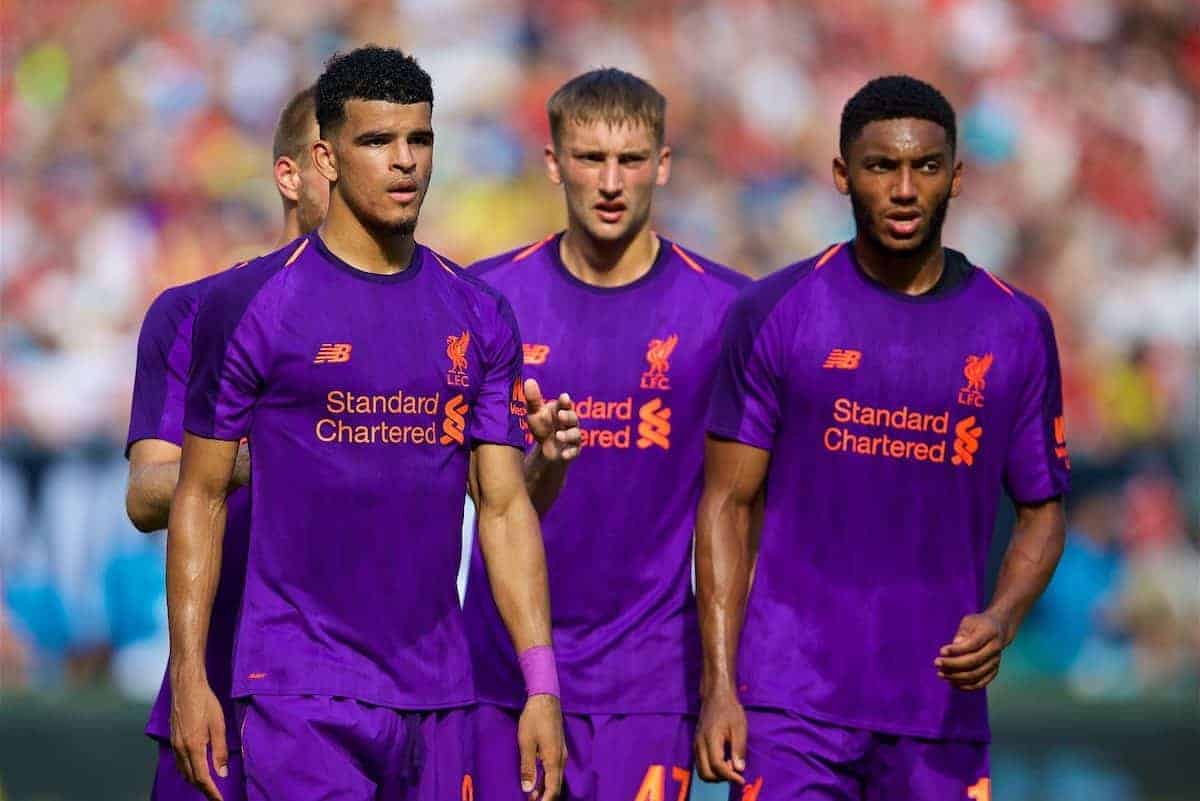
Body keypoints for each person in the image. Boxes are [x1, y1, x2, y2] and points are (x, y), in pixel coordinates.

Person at [165, 47, 565, 801]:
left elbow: (505, 507)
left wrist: (540, 682)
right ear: (326, 157)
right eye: (377, 142)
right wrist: (192, 675)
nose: (404, 161)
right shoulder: (251, 306)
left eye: (420, 140)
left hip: (440, 690)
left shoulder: (479, 313)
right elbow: (200, 495)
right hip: (299, 685)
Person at [694, 75, 1070, 801]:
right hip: (791, 700)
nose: (904, 188)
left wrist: (1002, 616)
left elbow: (1043, 509)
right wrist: (718, 685)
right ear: (842, 175)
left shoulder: (1017, 327)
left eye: (925, 167)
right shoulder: (776, 311)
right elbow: (725, 506)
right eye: (880, 166)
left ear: (955, 177)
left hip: (937, 709)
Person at [463, 68, 750, 801]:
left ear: (663, 163)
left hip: (646, 680)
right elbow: (484, 499)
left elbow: (747, 504)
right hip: (502, 673)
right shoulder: (488, 300)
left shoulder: (728, 312)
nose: (611, 181)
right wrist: (542, 465)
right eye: (591, 159)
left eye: (630, 160)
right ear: (555, 163)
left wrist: (727, 678)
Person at [125, 84, 329, 801]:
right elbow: (148, 491)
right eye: (340, 155)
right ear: (292, 173)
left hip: (373, 700)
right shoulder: (192, 313)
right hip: (224, 686)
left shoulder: (441, 317)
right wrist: (256, 456)